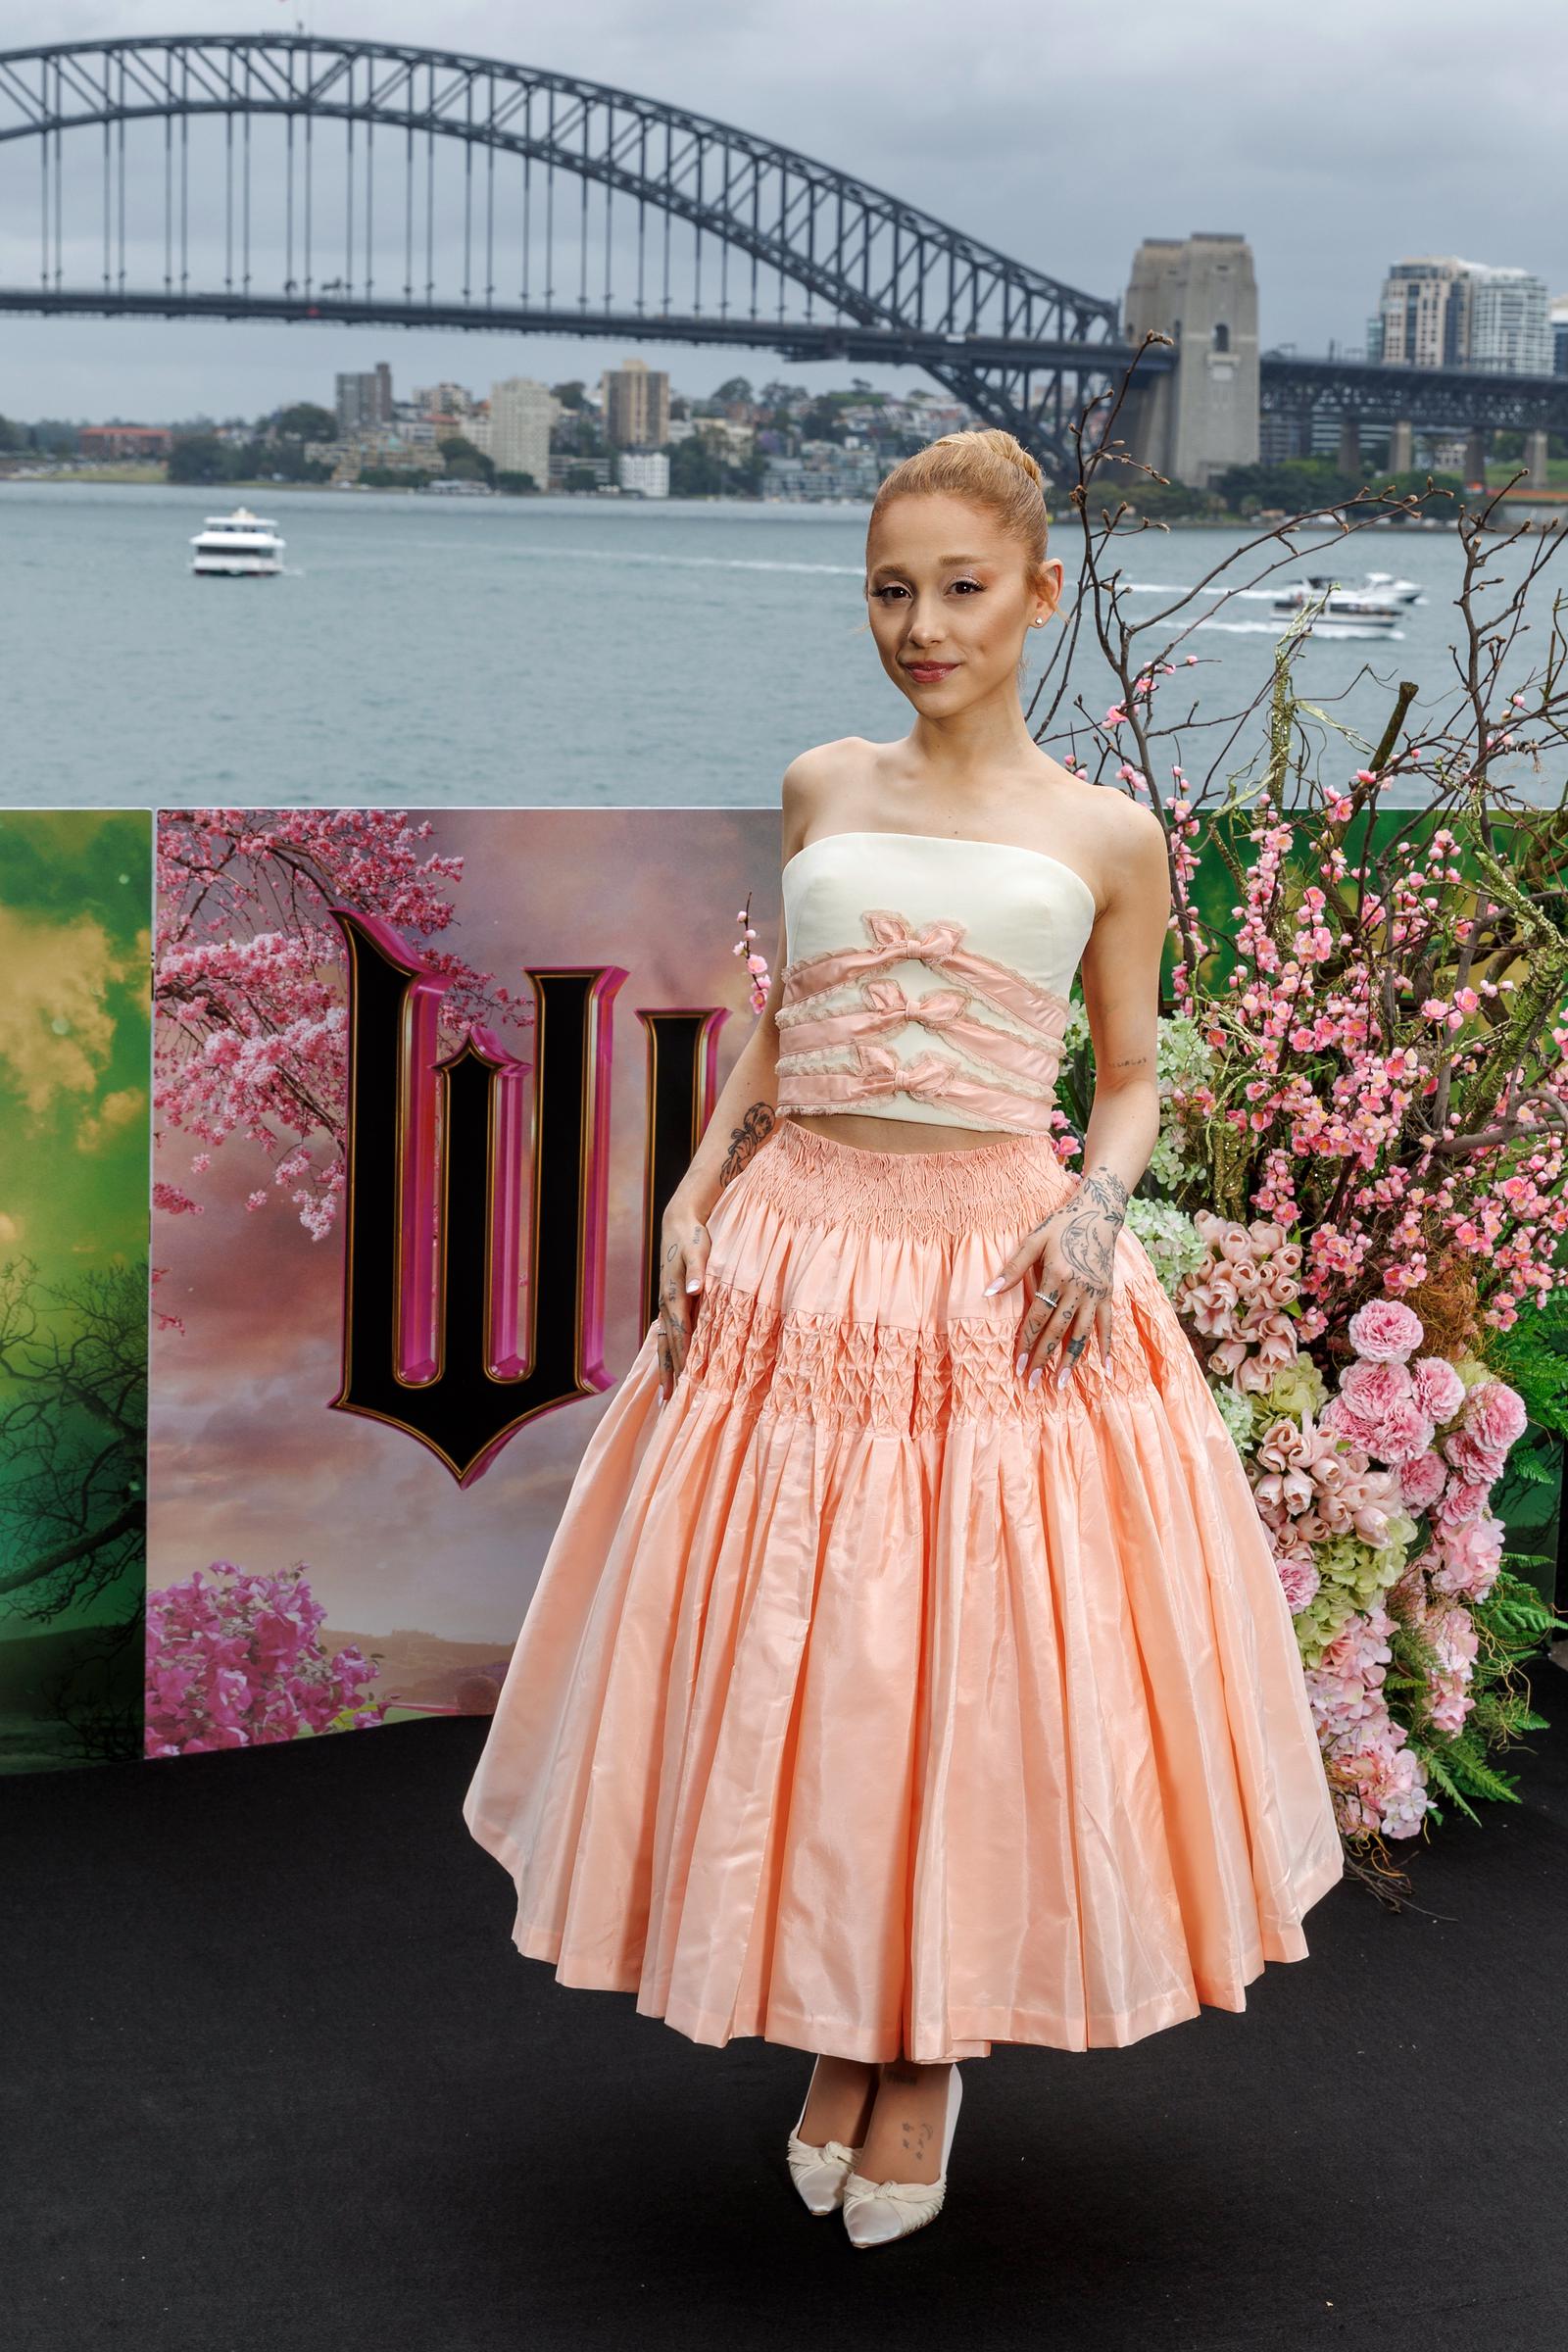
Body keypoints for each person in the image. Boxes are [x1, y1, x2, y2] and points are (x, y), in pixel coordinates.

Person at [463, 427, 1344, 2249]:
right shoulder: (821, 785)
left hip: (995, 1281)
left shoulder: (1106, 834)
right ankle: (842, 2028)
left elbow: (1127, 1074)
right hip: (801, 1259)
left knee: (964, 1670)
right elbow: (791, 1020)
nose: (922, 626)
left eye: (960, 588)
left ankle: (920, 2052)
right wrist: (699, 1183)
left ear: (1040, 595)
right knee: (815, 1662)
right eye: (890, 589)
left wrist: (1096, 1210)